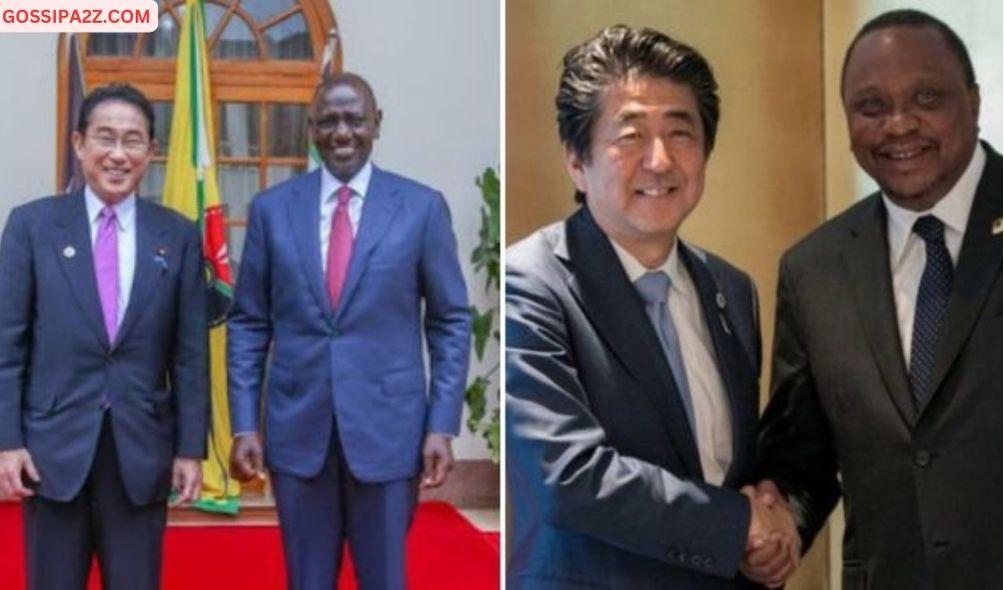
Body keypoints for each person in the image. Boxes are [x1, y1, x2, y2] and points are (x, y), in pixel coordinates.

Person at [505, 25, 798, 589]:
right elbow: (570, 479)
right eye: (630, 136)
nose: (660, 161)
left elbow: (729, 463)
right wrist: (739, 527)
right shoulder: (531, 283)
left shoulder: (732, 289)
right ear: (575, 159)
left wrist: (771, 521)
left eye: (681, 133)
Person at [754, 9, 1001, 589]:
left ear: (974, 101)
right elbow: (800, 461)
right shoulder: (813, 270)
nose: (898, 125)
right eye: (870, 107)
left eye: (926, 97)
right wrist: (775, 521)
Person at [226, 72, 471, 590]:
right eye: (330, 120)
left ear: (376, 124)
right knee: (307, 580)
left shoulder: (420, 208)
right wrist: (246, 424)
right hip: (297, 433)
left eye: (355, 119)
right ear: (311, 127)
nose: (343, 132)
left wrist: (441, 425)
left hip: (389, 434)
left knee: (383, 578)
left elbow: (449, 321)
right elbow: (248, 323)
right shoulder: (271, 211)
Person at [0, 83, 209, 590]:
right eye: (105, 138)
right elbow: (8, 344)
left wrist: (189, 449)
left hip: (140, 454)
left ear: (150, 152)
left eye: (133, 140)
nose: (118, 154)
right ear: (79, 144)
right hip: (52, 454)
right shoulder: (32, 227)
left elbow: (189, 355)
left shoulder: (177, 236)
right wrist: (8, 442)